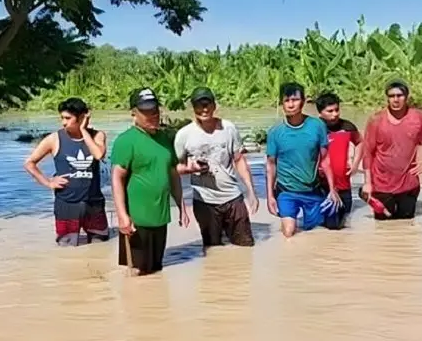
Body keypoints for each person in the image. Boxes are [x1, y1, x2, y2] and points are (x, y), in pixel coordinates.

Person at [110, 88, 190, 275]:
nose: (152, 116)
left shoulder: (165, 139)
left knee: (156, 271)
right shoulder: (126, 141)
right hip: (137, 220)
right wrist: (122, 216)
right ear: (134, 113)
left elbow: (173, 174)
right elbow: (116, 178)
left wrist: (182, 206)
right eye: (146, 112)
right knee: (138, 273)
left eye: (154, 111)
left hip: (160, 218)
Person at [174, 87, 258, 249]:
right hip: (204, 201)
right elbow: (176, 169)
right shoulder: (184, 135)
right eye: (199, 105)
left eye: (207, 104)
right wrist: (191, 169)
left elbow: (239, 160)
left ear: (214, 105)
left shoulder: (228, 128)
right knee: (212, 251)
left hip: (233, 197)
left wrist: (251, 191)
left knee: (246, 247)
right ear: (193, 107)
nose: (204, 109)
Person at [23, 97, 109, 246]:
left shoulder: (97, 135)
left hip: (94, 203)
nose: (63, 122)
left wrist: (83, 131)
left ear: (82, 118)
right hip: (67, 204)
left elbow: (98, 154)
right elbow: (29, 163)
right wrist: (48, 182)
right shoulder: (54, 139)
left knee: (100, 247)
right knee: (67, 248)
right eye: (62, 118)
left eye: (68, 118)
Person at [360, 80, 422, 220]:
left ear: (406, 97)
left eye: (399, 95)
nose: (395, 100)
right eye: (391, 96)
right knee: (383, 226)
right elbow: (367, 153)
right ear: (387, 98)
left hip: (409, 184)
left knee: (406, 225)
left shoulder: (419, 117)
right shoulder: (376, 120)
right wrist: (367, 183)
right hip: (381, 184)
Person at [265, 82, 341, 238]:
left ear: (304, 101)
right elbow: (271, 165)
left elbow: (325, 159)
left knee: (315, 233)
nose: (291, 104)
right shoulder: (275, 132)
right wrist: (270, 196)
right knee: (289, 233)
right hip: (286, 190)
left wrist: (332, 190)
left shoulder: (317, 126)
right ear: (281, 103)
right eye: (287, 101)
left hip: (312, 189)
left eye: (295, 100)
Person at [314, 92, 361, 229]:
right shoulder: (314, 129)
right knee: (328, 226)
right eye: (330, 111)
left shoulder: (347, 127)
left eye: (336, 110)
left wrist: (356, 163)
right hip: (322, 186)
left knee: (344, 224)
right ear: (320, 113)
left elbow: (360, 143)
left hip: (344, 185)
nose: (335, 114)